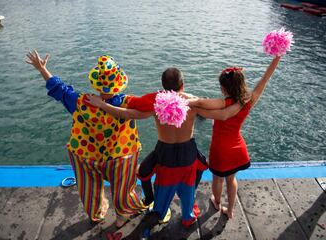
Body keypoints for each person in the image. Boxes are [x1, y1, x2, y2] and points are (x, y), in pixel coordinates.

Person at [86, 67, 249, 228]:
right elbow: (222, 113)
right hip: (188, 154)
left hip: (165, 155)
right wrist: (240, 101)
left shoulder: (156, 104)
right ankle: (187, 217)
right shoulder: (192, 102)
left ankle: (157, 212)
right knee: (188, 189)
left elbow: (127, 113)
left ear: (163, 86)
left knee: (158, 185)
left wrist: (102, 104)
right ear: (182, 85)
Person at [25, 51, 149, 227]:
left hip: (86, 156)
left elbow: (58, 88)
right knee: (123, 188)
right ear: (118, 83)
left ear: (97, 83)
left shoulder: (80, 102)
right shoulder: (127, 103)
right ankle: (122, 216)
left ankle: (96, 213)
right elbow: (148, 107)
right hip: (121, 157)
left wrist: (42, 69)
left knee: (89, 189)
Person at [189, 56, 281, 219]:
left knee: (218, 179)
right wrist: (277, 57)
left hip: (220, 150)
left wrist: (185, 100)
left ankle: (217, 203)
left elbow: (202, 104)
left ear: (224, 88)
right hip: (238, 148)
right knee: (231, 180)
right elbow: (265, 78)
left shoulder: (224, 103)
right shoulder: (248, 100)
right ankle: (230, 210)